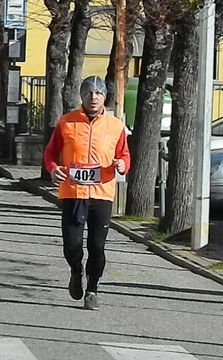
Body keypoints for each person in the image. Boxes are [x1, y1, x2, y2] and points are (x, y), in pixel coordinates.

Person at [43, 76, 131, 311]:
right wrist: (53, 170)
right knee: (72, 245)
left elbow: (124, 155)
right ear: (82, 97)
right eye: (88, 93)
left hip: (102, 194)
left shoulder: (115, 126)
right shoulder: (67, 122)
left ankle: (92, 289)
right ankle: (75, 270)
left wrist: (122, 165)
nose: (93, 97)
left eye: (98, 93)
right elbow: (51, 153)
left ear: (104, 97)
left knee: (97, 246)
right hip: (73, 192)